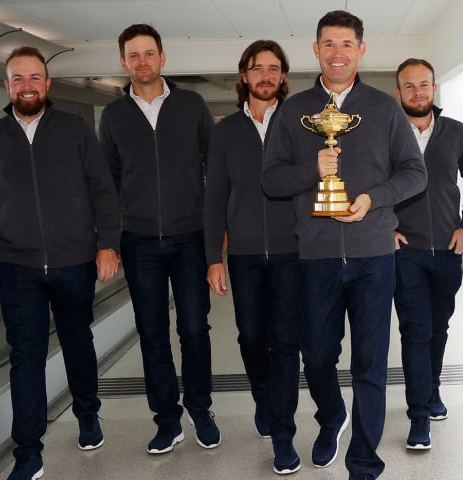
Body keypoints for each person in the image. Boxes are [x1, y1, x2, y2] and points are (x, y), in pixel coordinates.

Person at [262, 11, 427, 480]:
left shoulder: (384, 108)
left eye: (347, 44)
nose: (338, 53)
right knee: (315, 354)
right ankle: (332, 416)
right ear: (315, 49)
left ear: (361, 50)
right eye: (328, 44)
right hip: (314, 256)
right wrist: (312, 171)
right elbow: (271, 180)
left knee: (371, 363)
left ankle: (364, 463)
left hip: (374, 254)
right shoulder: (293, 112)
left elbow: (415, 173)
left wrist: (373, 199)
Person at [0, 46, 121, 480]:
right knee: (26, 358)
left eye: (35, 78)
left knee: (78, 343)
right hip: (18, 267)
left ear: (47, 84)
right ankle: (28, 453)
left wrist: (108, 243)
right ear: (7, 85)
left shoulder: (74, 130)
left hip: (74, 262)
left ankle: (88, 414)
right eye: (19, 78)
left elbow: (103, 192)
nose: (27, 86)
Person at [99, 24, 219, 454]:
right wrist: (109, 241)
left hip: (190, 237)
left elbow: (216, 168)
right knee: (151, 333)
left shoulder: (191, 104)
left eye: (149, 53)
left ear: (163, 58)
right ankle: (167, 420)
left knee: (193, 328)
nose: (142, 61)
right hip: (138, 241)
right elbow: (107, 184)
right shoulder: (113, 116)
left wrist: (215, 231)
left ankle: (201, 408)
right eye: (134, 55)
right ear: (123, 62)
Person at [203, 39, 301, 475]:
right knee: (249, 336)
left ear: (282, 77)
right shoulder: (223, 132)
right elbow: (214, 198)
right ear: (244, 76)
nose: (266, 75)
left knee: (285, 341)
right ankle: (263, 395)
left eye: (274, 68)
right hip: (242, 253)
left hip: (292, 250)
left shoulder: (301, 122)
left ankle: (283, 433)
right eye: (257, 68)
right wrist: (212, 257)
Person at [392, 58, 463, 450]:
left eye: (424, 85)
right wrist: (387, 227)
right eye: (409, 86)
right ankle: (418, 416)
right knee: (415, 329)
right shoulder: (386, 134)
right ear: (398, 93)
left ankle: (432, 390)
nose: (417, 92)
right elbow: (367, 183)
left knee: (438, 326)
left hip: (448, 250)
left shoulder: (458, 133)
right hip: (405, 251)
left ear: (434, 89)